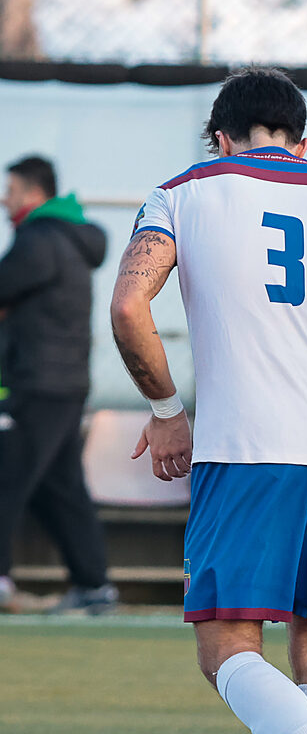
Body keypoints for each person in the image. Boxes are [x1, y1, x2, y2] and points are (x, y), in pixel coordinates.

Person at [109, 67, 307, 734]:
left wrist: (167, 414)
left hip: (244, 447)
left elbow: (129, 307)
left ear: (220, 140)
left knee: (226, 647)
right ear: (301, 144)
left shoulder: (181, 194)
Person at [0, 155, 116, 615]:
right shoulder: (68, 237)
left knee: (7, 477)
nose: (5, 200)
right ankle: (94, 586)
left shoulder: (39, 238)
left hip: (37, 383)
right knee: (61, 487)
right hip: (65, 381)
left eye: (10, 191)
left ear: (32, 194)